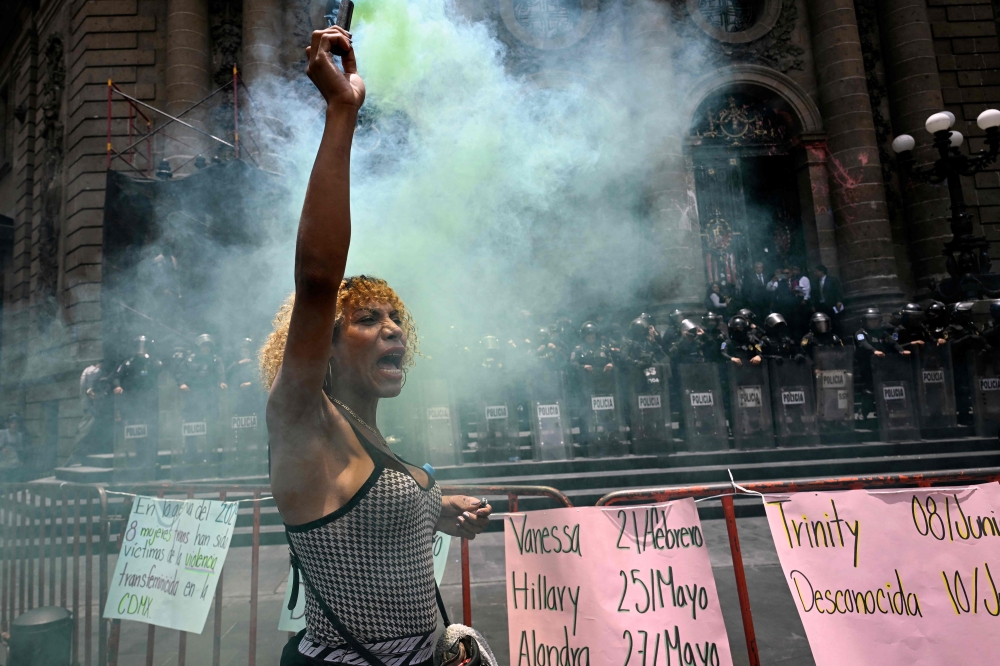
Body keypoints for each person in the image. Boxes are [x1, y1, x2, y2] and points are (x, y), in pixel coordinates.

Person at [260, 30, 490, 666]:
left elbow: (364, 514)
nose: (393, 328)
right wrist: (342, 114)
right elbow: (316, 280)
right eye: (367, 318)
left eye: (396, 318)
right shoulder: (301, 419)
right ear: (326, 342)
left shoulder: (367, 431)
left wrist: (435, 508)